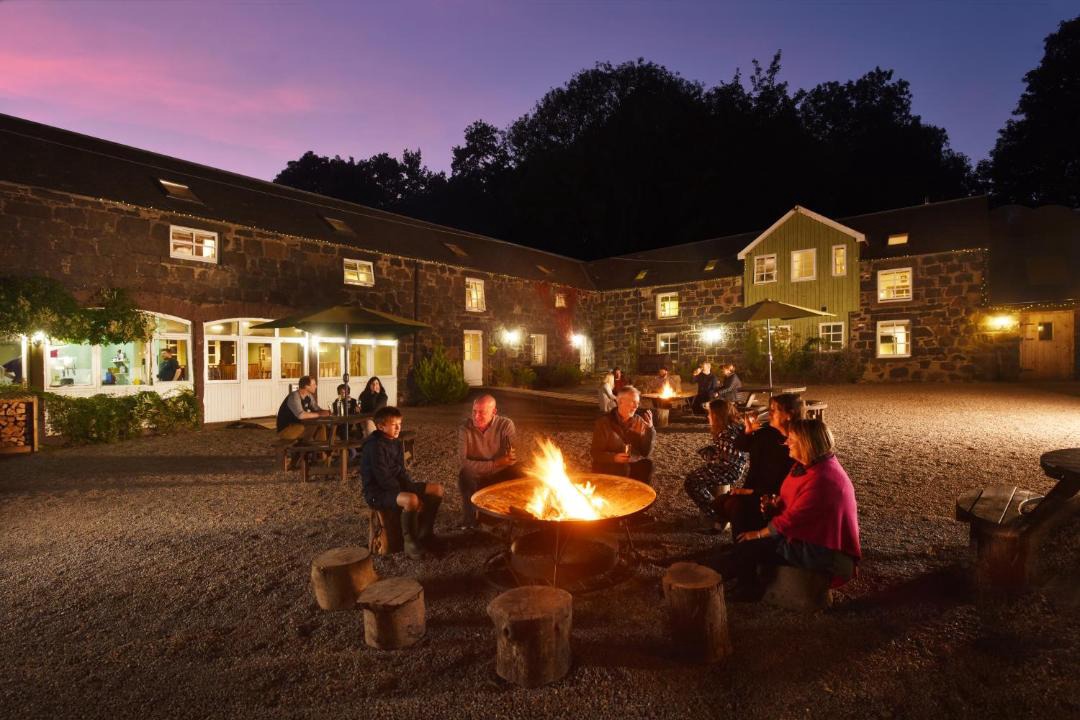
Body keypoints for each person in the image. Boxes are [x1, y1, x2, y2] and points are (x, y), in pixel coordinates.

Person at [732, 418, 861, 598]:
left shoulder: (823, 479)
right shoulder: (807, 465)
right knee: (744, 524)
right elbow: (793, 500)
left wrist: (758, 534)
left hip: (818, 547)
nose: (786, 443)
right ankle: (738, 569)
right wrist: (776, 504)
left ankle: (748, 590)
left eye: (792, 440)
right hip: (805, 533)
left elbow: (793, 519)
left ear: (807, 443)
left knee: (748, 546)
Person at [361, 406, 444, 559]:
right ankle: (411, 544)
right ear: (381, 426)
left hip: (394, 486)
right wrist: (410, 495)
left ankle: (425, 533)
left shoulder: (396, 442)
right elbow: (383, 478)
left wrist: (411, 487)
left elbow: (401, 471)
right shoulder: (374, 446)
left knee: (437, 489)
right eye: (394, 424)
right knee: (411, 499)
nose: (399, 428)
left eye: (400, 423)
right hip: (377, 492)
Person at [717, 393, 802, 538]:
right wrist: (748, 432)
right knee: (723, 504)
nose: (769, 413)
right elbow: (741, 446)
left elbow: (788, 481)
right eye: (770, 409)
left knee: (736, 507)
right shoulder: (767, 433)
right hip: (754, 486)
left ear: (789, 414)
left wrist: (749, 492)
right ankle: (743, 544)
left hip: (774, 494)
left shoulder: (799, 443)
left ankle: (746, 547)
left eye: (774, 410)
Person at [458, 394, 526, 528]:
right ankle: (471, 520)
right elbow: (464, 462)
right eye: (474, 411)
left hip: (500, 473)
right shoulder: (465, 429)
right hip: (477, 474)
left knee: (522, 471)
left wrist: (509, 457)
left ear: (494, 412)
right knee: (465, 474)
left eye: (481, 412)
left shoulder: (505, 424)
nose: (476, 416)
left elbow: (512, 457)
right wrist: (495, 463)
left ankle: (517, 515)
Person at [684, 399, 748, 524]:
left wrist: (709, 457)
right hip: (730, 467)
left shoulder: (726, 434)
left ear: (717, 415)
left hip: (729, 471)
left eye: (709, 413)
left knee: (691, 482)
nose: (708, 416)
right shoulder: (730, 428)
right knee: (696, 476)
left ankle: (716, 514)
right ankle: (716, 510)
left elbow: (727, 461)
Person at [591, 385, 656, 485]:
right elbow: (595, 453)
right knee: (623, 469)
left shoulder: (639, 421)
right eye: (633, 402)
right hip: (609, 465)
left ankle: (639, 499)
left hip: (631, 463)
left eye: (637, 403)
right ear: (620, 401)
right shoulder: (604, 423)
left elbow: (646, 452)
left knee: (648, 465)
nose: (636, 406)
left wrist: (650, 430)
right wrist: (614, 458)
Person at [276, 375, 329, 440]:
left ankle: (321, 448)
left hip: (299, 426)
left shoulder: (309, 396)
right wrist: (319, 414)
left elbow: (316, 409)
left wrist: (327, 412)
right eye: (314, 384)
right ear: (306, 386)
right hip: (286, 429)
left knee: (321, 425)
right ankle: (308, 445)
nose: (316, 386)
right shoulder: (294, 396)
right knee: (304, 427)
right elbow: (301, 415)